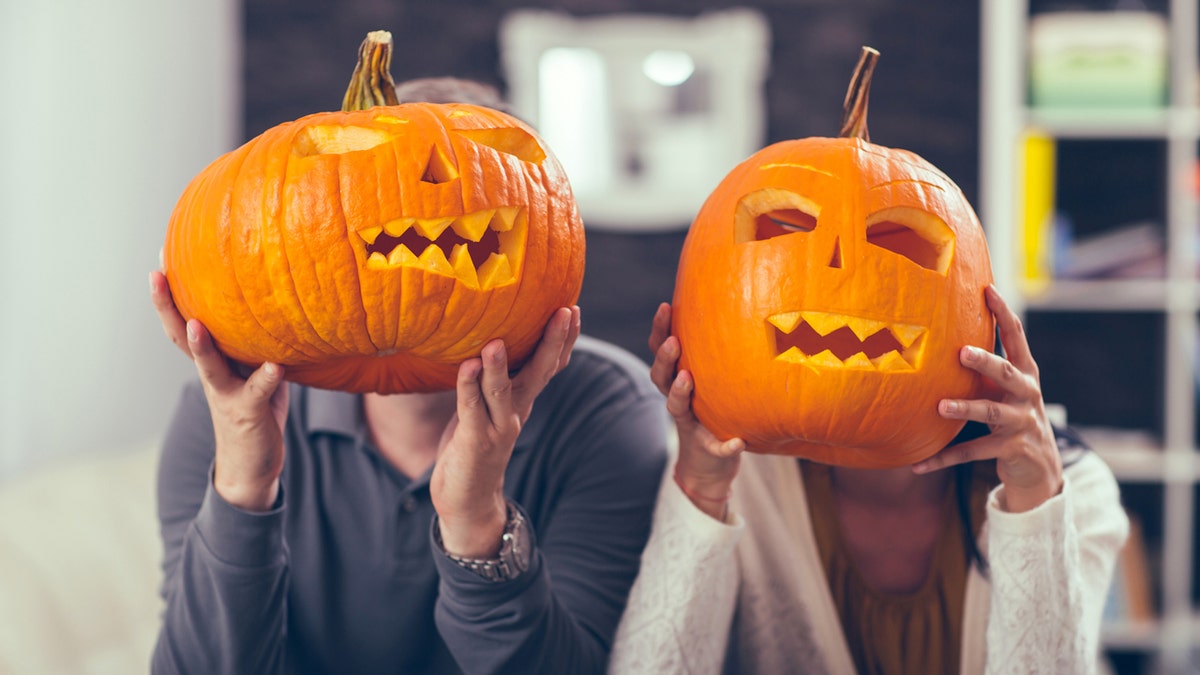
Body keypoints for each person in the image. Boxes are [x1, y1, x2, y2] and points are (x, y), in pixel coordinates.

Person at [148, 77, 670, 675]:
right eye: (366, 174)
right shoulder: (228, 416)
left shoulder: (605, 411)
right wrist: (244, 486)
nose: (431, 190)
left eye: (480, 165)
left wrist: (475, 520)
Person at [608, 285, 1130, 674]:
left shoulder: (1071, 487)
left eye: (897, 259)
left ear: (980, 322)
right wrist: (701, 487)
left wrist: (1035, 502)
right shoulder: (736, 470)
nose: (844, 285)